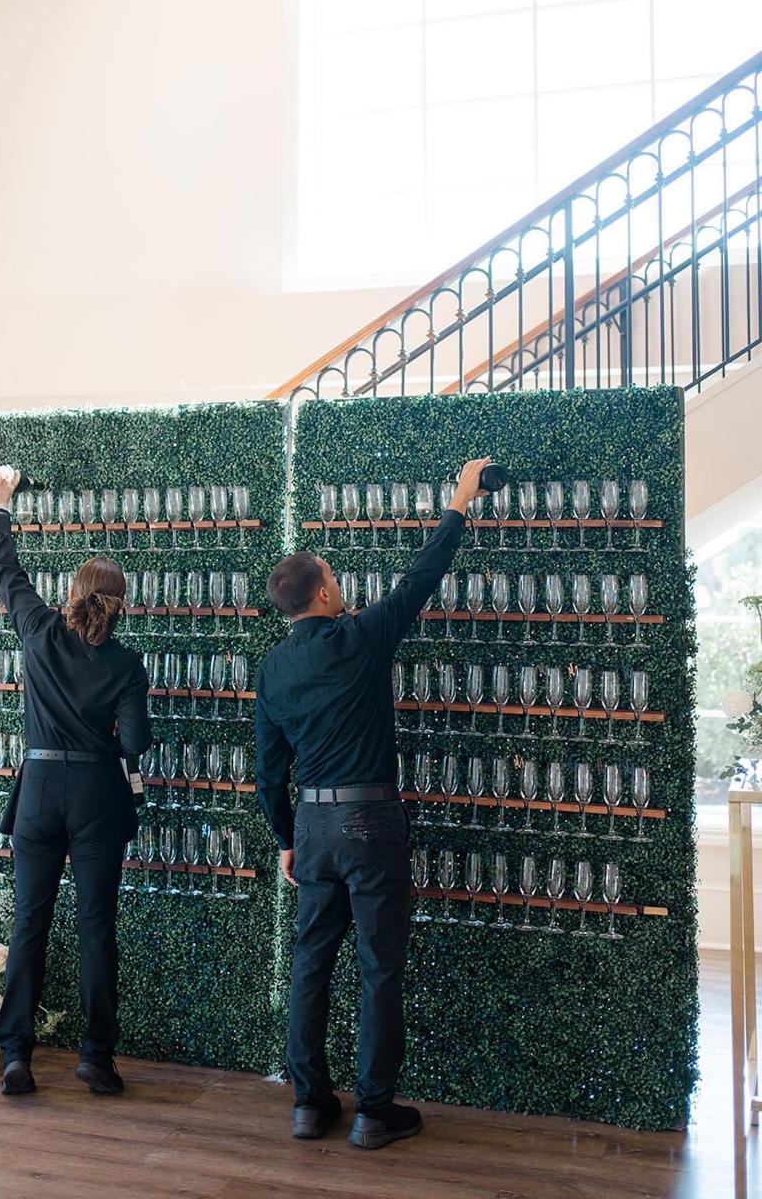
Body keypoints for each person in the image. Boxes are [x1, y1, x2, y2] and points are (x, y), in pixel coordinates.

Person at [255, 456, 490, 1149]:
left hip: (313, 825)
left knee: (310, 964)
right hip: (369, 818)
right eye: (333, 575)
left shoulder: (273, 667)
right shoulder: (361, 638)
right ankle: (373, 1112)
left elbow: (270, 770)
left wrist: (286, 838)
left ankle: (308, 1104)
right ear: (323, 593)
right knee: (380, 967)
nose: (340, 582)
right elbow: (422, 577)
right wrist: (459, 502)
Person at [0, 466, 151, 1097]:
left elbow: (6, 568)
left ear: (72, 593)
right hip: (96, 798)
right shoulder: (126, 663)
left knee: (29, 920)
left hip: (37, 792)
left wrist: (1, 503)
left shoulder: (38, 630)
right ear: (121, 602)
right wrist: (103, 740)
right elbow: (135, 745)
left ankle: (15, 1057)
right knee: (96, 926)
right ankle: (96, 1058)